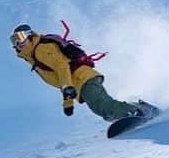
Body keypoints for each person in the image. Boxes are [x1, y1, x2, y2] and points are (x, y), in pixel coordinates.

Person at [10, 23, 153, 122]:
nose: (18, 43)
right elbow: (62, 81)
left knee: (103, 107)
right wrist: (68, 103)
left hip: (83, 78)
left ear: (29, 36)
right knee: (104, 110)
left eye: (20, 38)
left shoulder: (41, 49)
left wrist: (67, 88)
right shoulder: (33, 57)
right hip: (80, 82)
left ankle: (135, 112)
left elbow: (62, 67)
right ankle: (137, 108)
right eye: (14, 40)